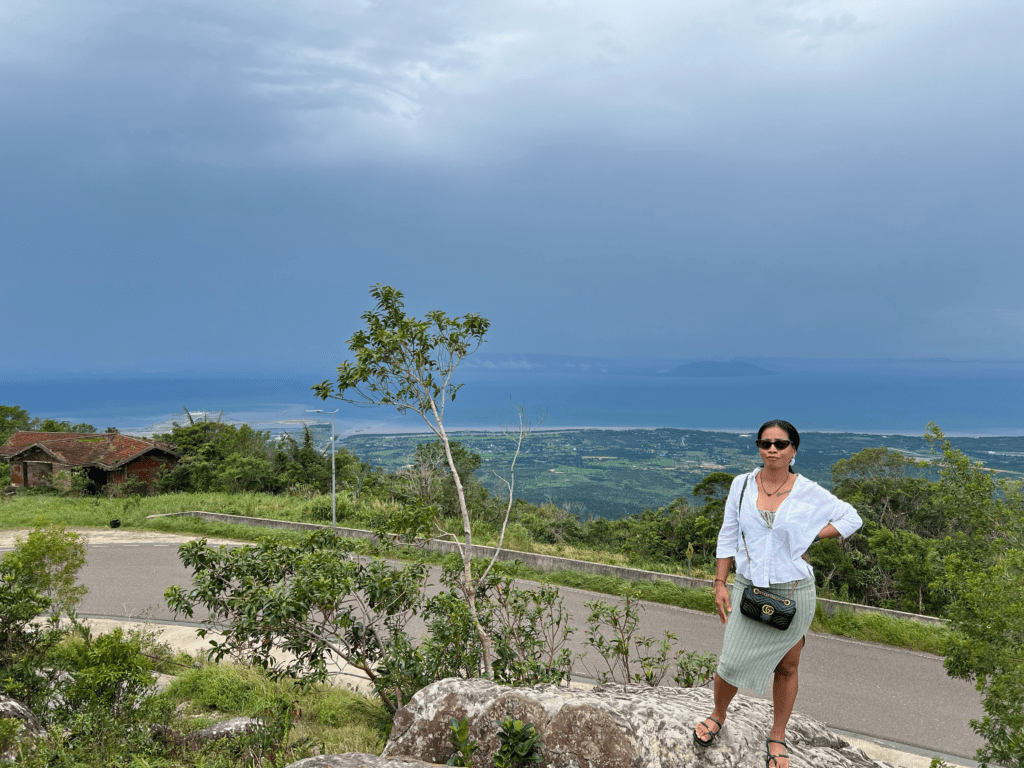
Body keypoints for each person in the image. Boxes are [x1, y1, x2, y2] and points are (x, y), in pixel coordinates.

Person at [692, 420, 863, 768]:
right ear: (758, 447)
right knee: (731, 661)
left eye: (781, 444)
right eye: (765, 443)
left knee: (787, 666)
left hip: (795, 589)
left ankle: (778, 735)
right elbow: (727, 536)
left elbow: (851, 517)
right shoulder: (740, 486)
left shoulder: (808, 491)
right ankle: (718, 714)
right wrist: (720, 583)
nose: (772, 449)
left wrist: (811, 536)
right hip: (748, 587)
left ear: (793, 451)